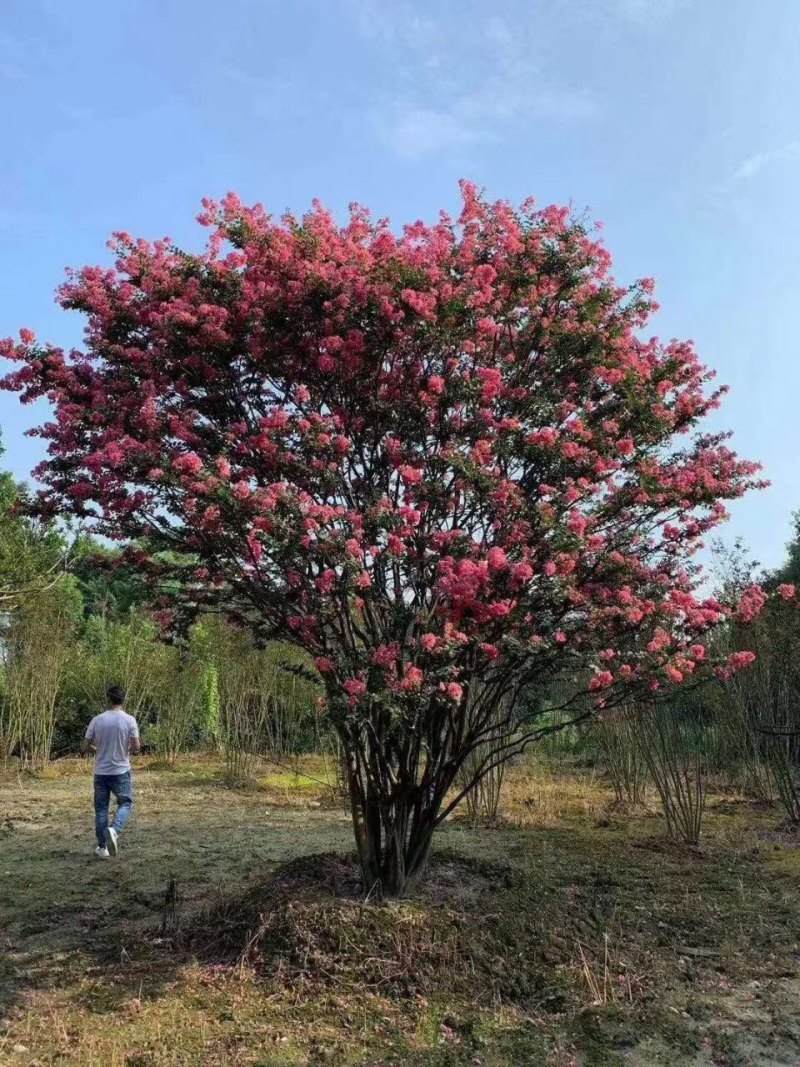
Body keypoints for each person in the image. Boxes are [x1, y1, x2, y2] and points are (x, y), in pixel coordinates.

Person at [82, 686, 140, 859]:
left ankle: (102, 848)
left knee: (101, 810)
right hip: (121, 770)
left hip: (101, 771)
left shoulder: (97, 720)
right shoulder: (129, 720)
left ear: (108, 699)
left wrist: (97, 749)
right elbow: (136, 746)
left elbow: (84, 746)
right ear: (124, 700)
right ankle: (114, 830)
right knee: (126, 803)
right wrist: (126, 750)